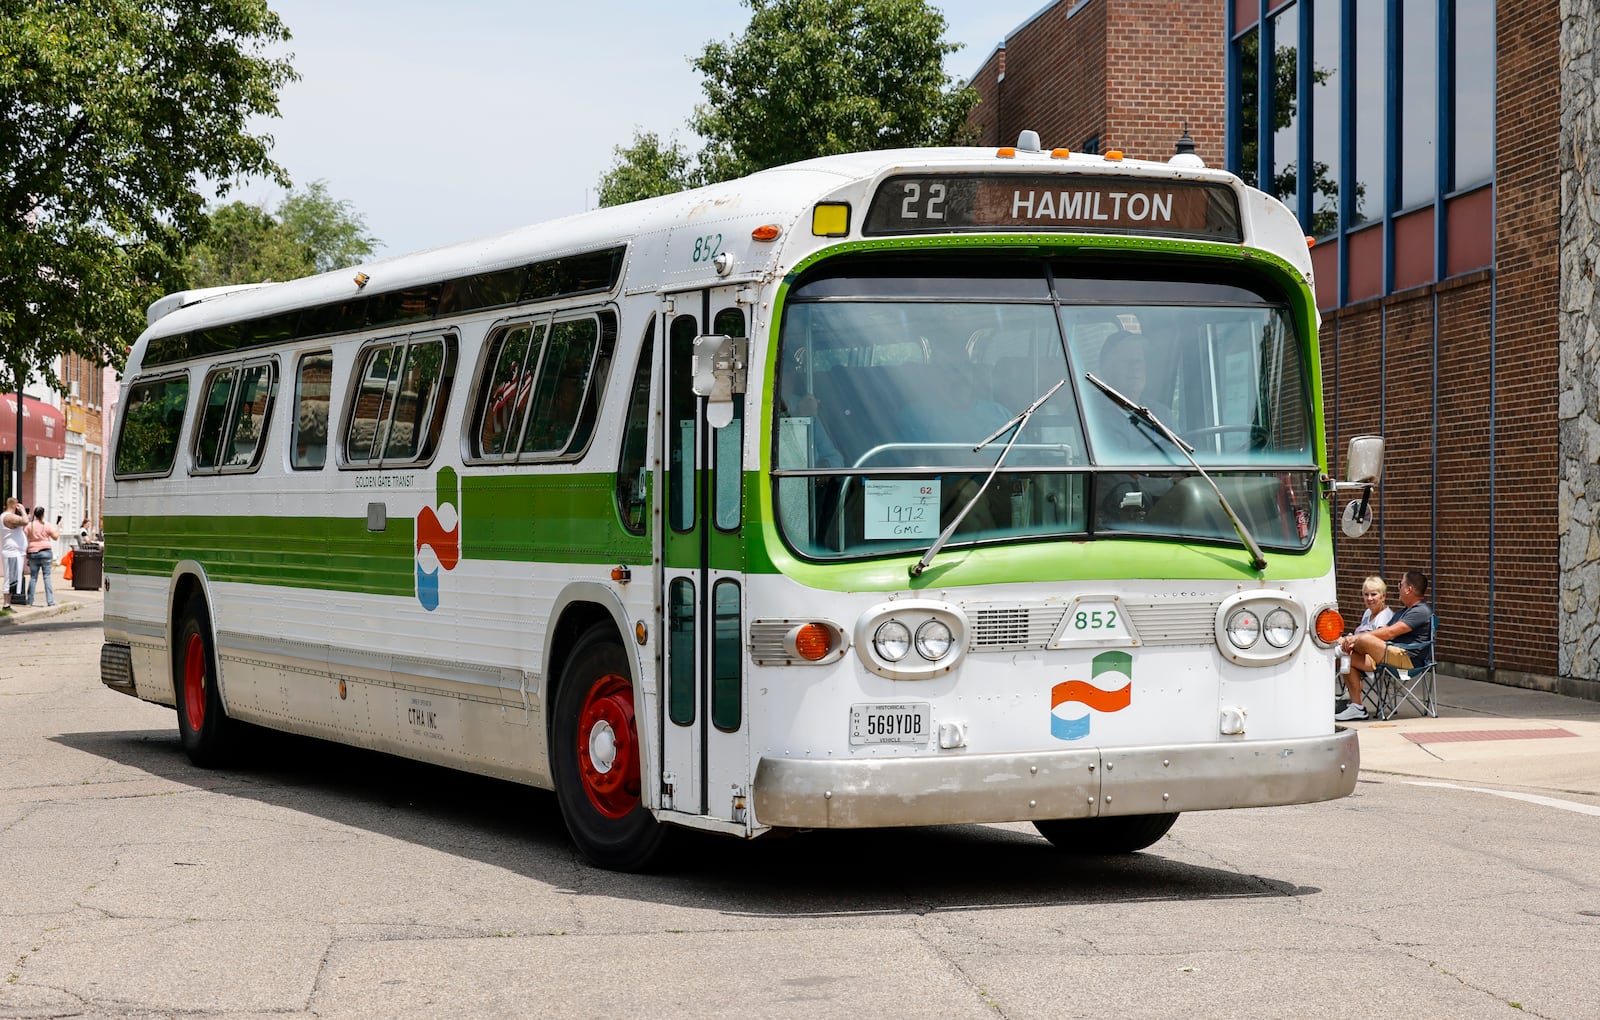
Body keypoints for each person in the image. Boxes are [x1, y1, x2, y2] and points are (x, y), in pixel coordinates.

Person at [1334, 570, 1433, 721]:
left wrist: (1354, 638)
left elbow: (1389, 633)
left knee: (1366, 638)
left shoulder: (1420, 611)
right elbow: (1385, 631)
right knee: (1346, 657)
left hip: (1407, 659)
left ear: (1409, 589)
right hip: (1390, 653)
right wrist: (1352, 642)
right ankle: (1357, 708)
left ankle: (1343, 646)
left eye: (1400, 584)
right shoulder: (1403, 612)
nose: (1398, 588)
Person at [1337, 576, 1394, 715]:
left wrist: (1350, 642)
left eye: (1374, 594)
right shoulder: (1368, 613)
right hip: (1360, 655)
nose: (1369, 598)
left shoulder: (1385, 616)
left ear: (1383, 596)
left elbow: (1377, 641)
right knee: (1344, 659)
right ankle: (1355, 704)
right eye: (1366, 594)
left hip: (1376, 659)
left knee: (1339, 656)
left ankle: (1352, 700)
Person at [23, 506, 61, 607]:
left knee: (33, 577)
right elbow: (55, 537)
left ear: (35, 514)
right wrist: (59, 526)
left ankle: (30, 601)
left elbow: (24, 536)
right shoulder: (46, 525)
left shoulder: (29, 526)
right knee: (47, 577)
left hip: (33, 552)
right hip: (46, 552)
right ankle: (50, 601)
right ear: (43, 515)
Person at [1, 498, 27, 608]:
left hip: (16, 552)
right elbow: (25, 521)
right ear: (15, 505)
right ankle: (6, 604)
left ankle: (8, 603)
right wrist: (23, 511)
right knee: (10, 578)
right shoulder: (8, 516)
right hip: (12, 552)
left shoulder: (7, 517)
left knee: (13, 578)